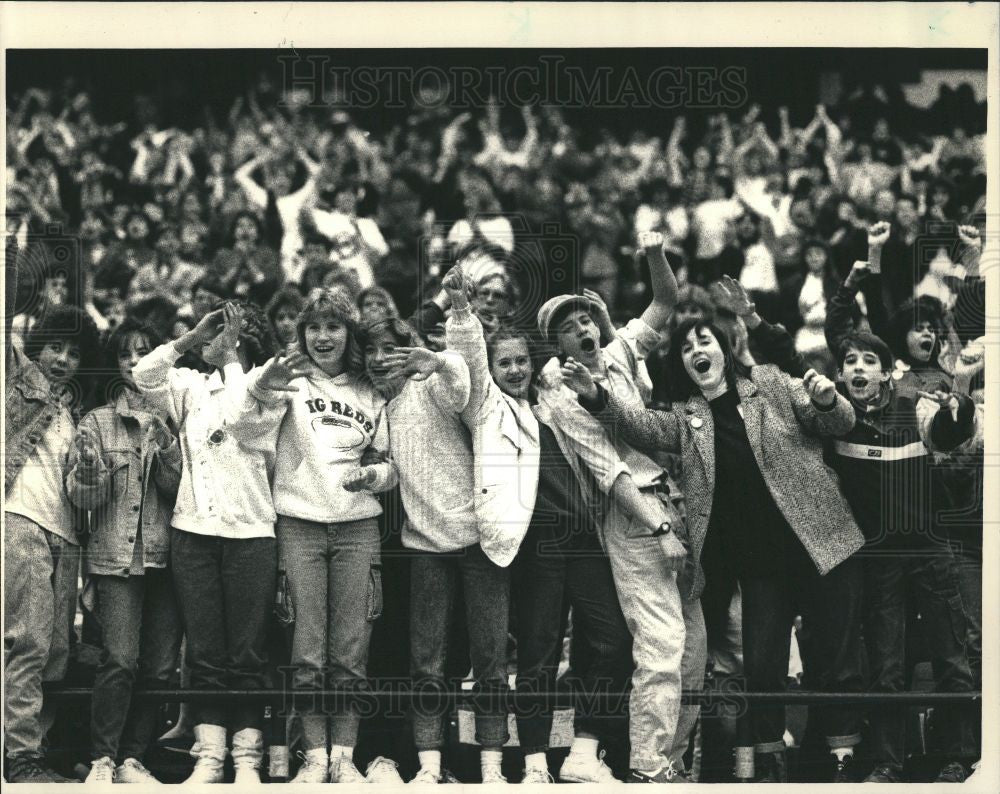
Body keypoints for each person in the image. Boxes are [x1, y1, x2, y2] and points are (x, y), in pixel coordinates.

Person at [563, 316, 868, 783]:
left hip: (823, 542)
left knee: (837, 660)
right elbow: (638, 425)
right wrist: (595, 395)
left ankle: (844, 761)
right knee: (763, 670)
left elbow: (836, 420)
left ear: (724, 349)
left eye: (704, 340)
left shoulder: (767, 383)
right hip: (763, 567)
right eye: (686, 347)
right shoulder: (688, 419)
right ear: (683, 365)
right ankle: (769, 765)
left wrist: (829, 400)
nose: (696, 350)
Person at [441, 264, 633, 784]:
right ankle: (533, 764)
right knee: (538, 656)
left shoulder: (552, 400)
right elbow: (470, 364)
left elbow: (615, 370)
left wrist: (608, 328)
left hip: (586, 537)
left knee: (614, 640)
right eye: (505, 362)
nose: (515, 369)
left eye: (522, 360)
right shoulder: (486, 408)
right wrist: (460, 309)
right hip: (536, 546)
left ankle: (584, 751)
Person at [534, 232, 705, 783]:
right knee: (660, 648)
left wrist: (652, 253)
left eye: (585, 318)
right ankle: (649, 767)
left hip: (682, 503)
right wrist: (660, 528)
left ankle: (672, 763)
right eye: (568, 325)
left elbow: (665, 303)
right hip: (637, 520)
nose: (582, 328)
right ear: (555, 343)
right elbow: (612, 473)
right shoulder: (562, 393)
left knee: (693, 656)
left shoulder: (616, 352)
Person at [246, 289, 404, 784]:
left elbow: (391, 466)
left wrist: (372, 478)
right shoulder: (287, 380)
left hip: (358, 527)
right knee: (307, 649)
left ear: (348, 334)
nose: (322, 336)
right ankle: (314, 757)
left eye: (334, 326)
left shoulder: (369, 391)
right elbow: (245, 433)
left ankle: (345, 757)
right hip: (298, 524)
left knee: (351, 650)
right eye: (313, 327)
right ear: (301, 334)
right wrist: (264, 388)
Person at [357, 315, 511, 784]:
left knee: (489, 661)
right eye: (372, 351)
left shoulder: (433, 388)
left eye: (390, 349)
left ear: (409, 351)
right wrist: (371, 477)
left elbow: (464, 386)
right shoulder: (384, 410)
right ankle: (429, 767)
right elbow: (393, 471)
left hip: (479, 543)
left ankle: (492, 769)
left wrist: (438, 360)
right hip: (425, 546)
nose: (380, 359)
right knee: (426, 662)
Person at [822, 330, 979, 783]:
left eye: (869, 360)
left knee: (951, 657)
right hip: (879, 561)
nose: (857, 368)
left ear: (888, 372)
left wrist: (961, 401)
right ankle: (889, 762)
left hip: (929, 551)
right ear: (840, 374)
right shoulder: (838, 421)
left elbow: (951, 432)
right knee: (887, 665)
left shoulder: (915, 408)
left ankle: (960, 758)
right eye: (850, 361)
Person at [132, 301, 280, 784]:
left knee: (248, 654)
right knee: (205, 653)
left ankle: (247, 762)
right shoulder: (193, 387)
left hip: (251, 534)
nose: (222, 340)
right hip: (193, 534)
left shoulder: (273, 386)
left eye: (234, 334)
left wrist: (232, 357)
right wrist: (189, 339)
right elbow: (143, 374)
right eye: (221, 333)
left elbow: (241, 417)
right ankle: (211, 759)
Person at [66, 319, 183, 784]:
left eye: (144, 351)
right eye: (126, 354)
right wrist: (91, 474)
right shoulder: (95, 421)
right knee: (120, 659)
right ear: (115, 364)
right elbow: (81, 499)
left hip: (166, 558)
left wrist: (168, 447)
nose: (135, 363)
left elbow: (181, 493)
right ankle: (102, 759)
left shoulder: (174, 417)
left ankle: (134, 758)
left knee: (158, 666)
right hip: (115, 559)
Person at [5, 305, 99, 784]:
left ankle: (32, 751)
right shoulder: (18, 382)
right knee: (28, 643)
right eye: (55, 347)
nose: (62, 359)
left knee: (56, 653)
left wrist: (88, 474)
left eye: (74, 353)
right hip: (20, 520)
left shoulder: (76, 413)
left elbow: (82, 493)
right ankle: (19, 755)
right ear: (37, 346)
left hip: (65, 536)